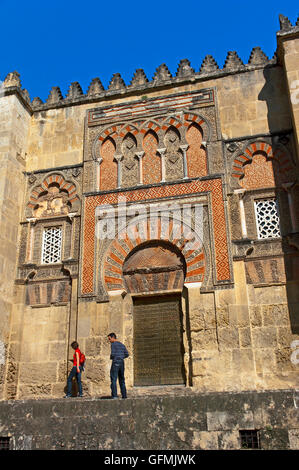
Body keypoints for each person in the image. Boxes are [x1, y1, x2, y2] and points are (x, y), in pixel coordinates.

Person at [107, 333, 129, 399]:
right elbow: (127, 354)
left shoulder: (113, 344)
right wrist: (121, 357)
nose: (109, 340)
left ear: (113, 337)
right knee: (122, 379)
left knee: (113, 379)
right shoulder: (122, 345)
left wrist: (112, 357)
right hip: (122, 363)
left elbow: (113, 354)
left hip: (116, 362)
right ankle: (124, 395)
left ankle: (114, 395)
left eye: (109, 339)